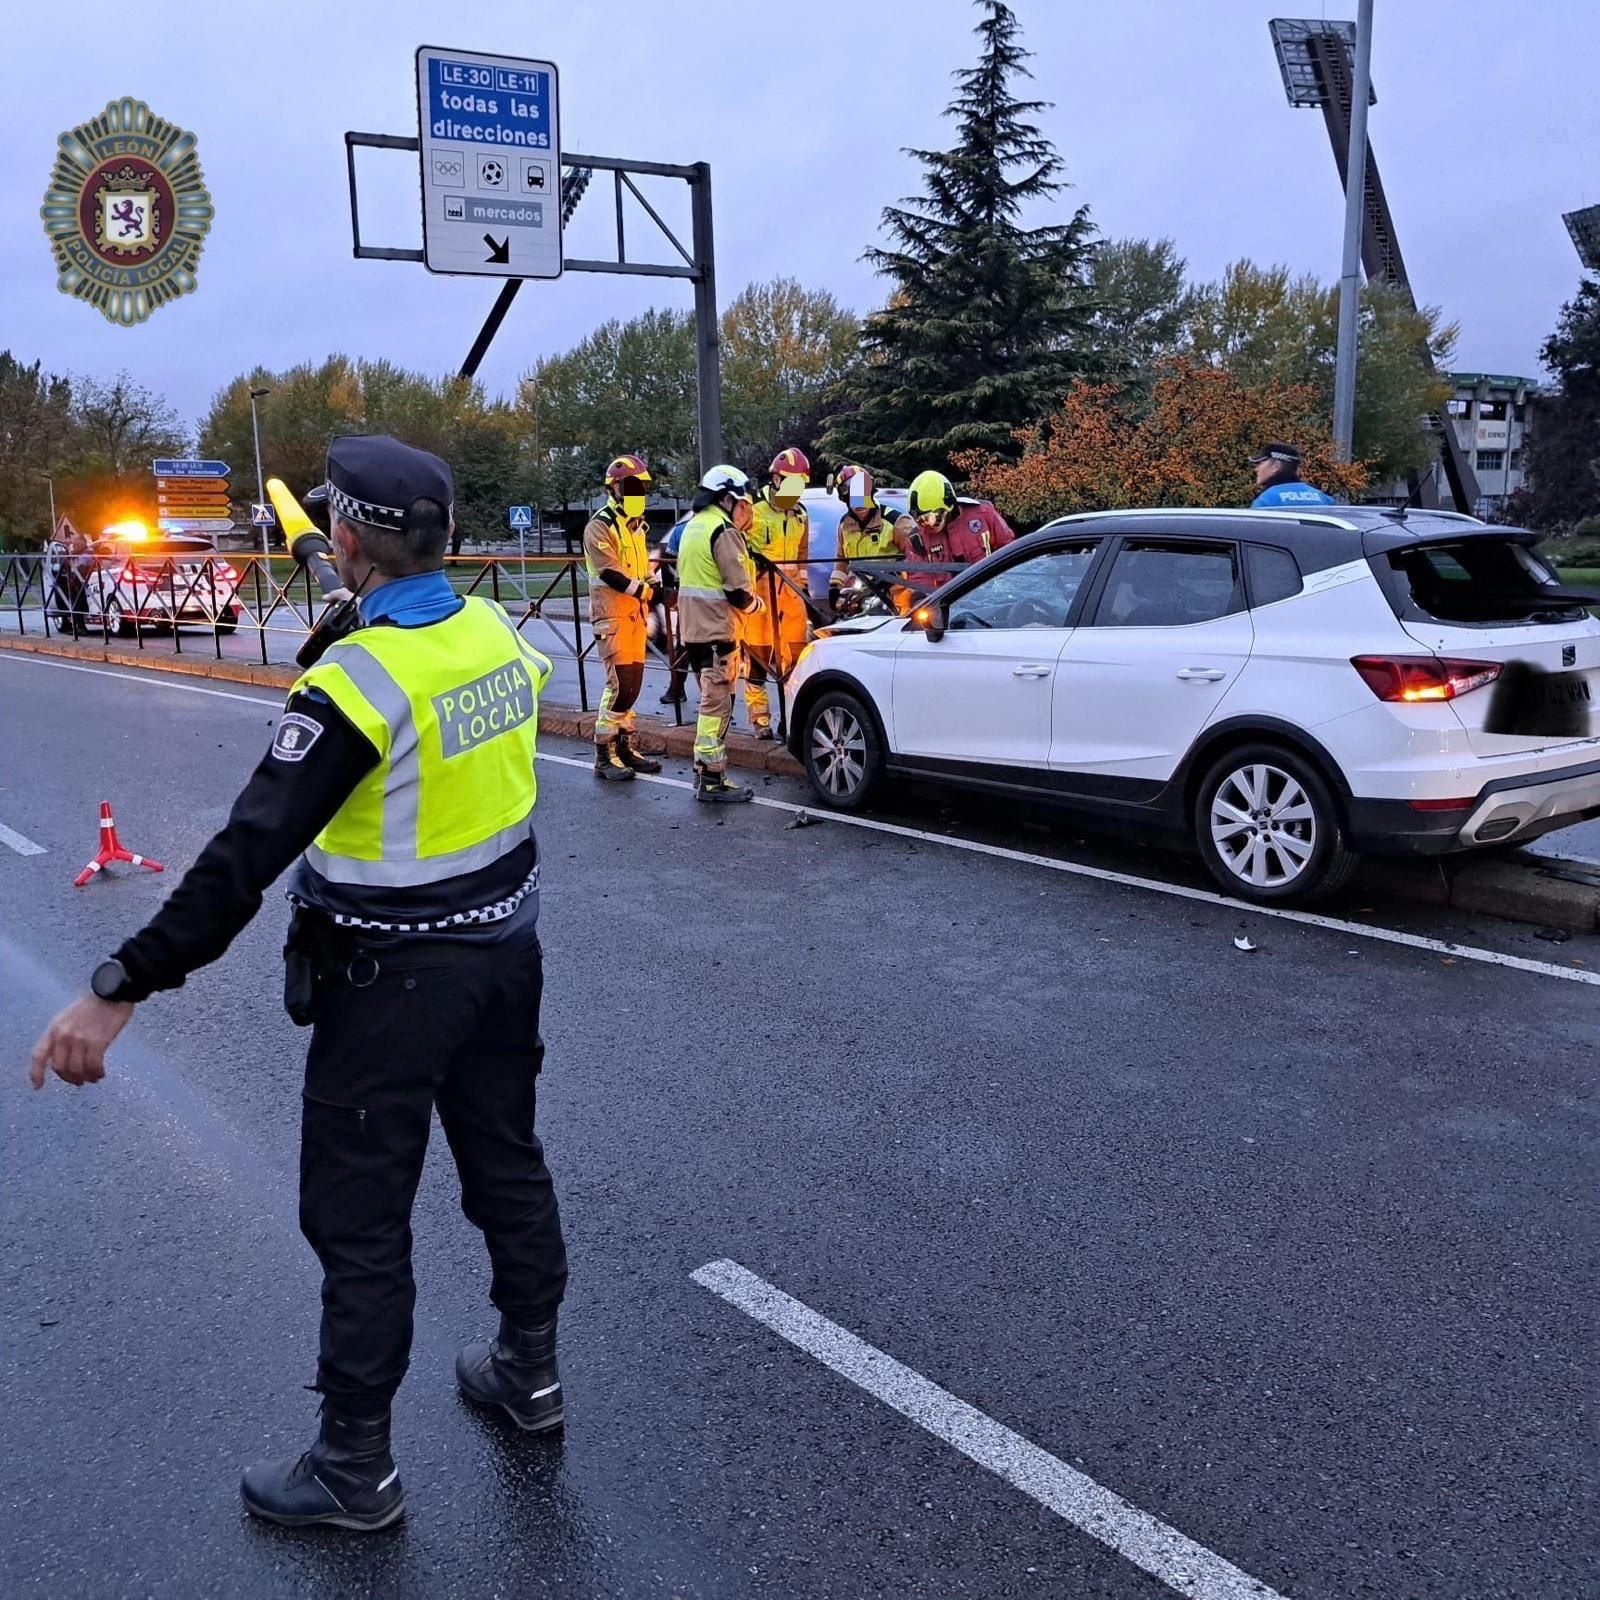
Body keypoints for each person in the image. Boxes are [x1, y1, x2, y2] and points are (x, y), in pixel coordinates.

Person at [28, 436, 569, 1532]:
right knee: (507, 1164)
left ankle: (354, 1467)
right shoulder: (494, 630)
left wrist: (119, 980)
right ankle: (530, 1371)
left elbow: (245, 855)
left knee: (361, 1218)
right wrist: (366, 600)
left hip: (392, 983)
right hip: (507, 954)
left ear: (355, 539)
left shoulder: (351, 682)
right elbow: (433, 653)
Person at [676, 464, 765, 802]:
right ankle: (712, 778)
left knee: (709, 701)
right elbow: (737, 592)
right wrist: (757, 606)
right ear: (727, 498)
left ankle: (705, 772)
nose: (746, 511)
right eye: (743, 503)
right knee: (718, 707)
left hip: (694, 631)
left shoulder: (694, 526)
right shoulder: (723, 530)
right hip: (718, 631)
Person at [583, 454, 663, 781]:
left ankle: (626, 748)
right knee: (620, 686)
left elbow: (639, 569)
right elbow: (610, 573)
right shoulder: (599, 526)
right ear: (615, 488)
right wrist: (645, 591)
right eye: (631, 489)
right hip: (612, 616)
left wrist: (652, 581)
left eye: (641, 490)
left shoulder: (637, 526)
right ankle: (604, 754)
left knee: (632, 688)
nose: (637, 496)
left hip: (634, 618)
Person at [741, 447, 812, 740]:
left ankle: (791, 718)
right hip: (759, 594)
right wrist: (751, 560)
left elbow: (803, 553)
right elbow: (734, 543)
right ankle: (760, 719)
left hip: (791, 598)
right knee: (757, 660)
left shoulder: (800, 514)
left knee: (794, 663)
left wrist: (804, 587)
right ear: (775, 479)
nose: (794, 492)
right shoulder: (752, 509)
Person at [827, 464, 903, 611]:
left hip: (895, 601)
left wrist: (890, 577)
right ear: (845, 499)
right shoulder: (844, 526)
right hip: (861, 599)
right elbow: (842, 560)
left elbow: (916, 560)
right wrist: (835, 588)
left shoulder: (895, 521)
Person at [1249, 443, 1335, 508]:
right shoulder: (1324, 498)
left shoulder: (1266, 500)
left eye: (1259, 463)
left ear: (1276, 466)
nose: (1256, 469)